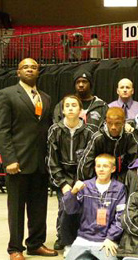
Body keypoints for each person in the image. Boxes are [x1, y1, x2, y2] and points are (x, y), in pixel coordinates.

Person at [0, 58, 57, 260]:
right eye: (25, 67)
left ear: (38, 72)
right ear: (18, 72)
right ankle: (15, 248)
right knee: (16, 208)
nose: (30, 69)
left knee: (39, 206)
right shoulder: (7, 95)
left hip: (41, 162)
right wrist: (9, 159)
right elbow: (2, 130)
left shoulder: (46, 98)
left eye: (34, 67)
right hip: (18, 163)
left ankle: (36, 243)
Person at [63, 154, 126, 260]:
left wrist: (111, 237)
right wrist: (73, 192)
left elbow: (121, 217)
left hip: (104, 239)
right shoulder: (85, 186)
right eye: (98, 166)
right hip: (85, 237)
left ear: (113, 169)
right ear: (95, 168)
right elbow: (70, 210)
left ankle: (97, 255)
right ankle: (94, 256)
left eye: (105, 166)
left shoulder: (119, 188)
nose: (101, 169)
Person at [47, 95, 94, 251]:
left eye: (74, 105)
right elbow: (52, 161)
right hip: (63, 175)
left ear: (80, 110)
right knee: (65, 206)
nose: (71, 108)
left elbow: (91, 159)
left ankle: (82, 236)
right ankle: (63, 237)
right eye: (67, 105)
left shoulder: (89, 131)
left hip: (83, 176)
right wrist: (62, 184)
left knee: (84, 208)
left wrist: (85, 180)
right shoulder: (55, 130)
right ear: (63, 110)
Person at [77, 107, 137, 181]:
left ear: (124, 122)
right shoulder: (98, 138)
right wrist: (91, 183)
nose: (113, 127)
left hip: (122, 179)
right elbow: (86, 165)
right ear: (106, 121)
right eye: (110, 123)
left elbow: (135, 163)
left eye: (117, 123)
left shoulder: (129, 136)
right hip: (99, 178)